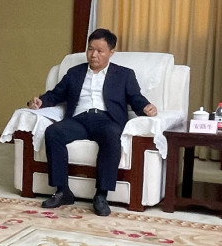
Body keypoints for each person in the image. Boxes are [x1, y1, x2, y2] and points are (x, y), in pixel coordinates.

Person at [27, 28, 157, 216]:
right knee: (53, 132)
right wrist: (40, 102)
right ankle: (62, 191)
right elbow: (55, 95)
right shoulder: (75, 72)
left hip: (107, 120)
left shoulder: (124, 75)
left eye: (99, 51)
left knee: (112, 135)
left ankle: (101, 195)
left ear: (111, 52)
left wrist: (146, 107)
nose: (93, 55)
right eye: (90, 49)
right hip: (79, 119)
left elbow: (135, 98)